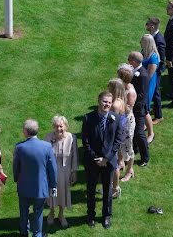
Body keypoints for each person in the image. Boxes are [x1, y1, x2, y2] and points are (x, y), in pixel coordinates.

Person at [81, 91, 124, 229]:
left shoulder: (116, 118)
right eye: (105, 101)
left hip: (109, 161)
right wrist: (96, 157)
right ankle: (90, 216)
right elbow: (85, 141)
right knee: (91, 190)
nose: (107, 104)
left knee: (107, 190)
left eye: (109, 102)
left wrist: (106, 158)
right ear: (99, 101)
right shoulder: (88, 118)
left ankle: (106, 216)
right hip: (92, 161)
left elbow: (118, 141)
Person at [13, 119, 58, 237]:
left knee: (24, 211)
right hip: (40, 187)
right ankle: (37, 234)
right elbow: (52, 168)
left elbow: (16, 167)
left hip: (23, 186)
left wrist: (16, 178)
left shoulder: (19, 147)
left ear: (25, 131)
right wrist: (53, 185)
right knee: (38, 212)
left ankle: (23, 232)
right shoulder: (47, 146)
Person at [45, 116, 77, 228]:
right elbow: (44, 156)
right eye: (56, 126)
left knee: (64, 193)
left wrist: (74, 171)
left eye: (61, 126)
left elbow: (75, 156)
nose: (59, 129)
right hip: (52, 171)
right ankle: (52, 212)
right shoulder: (48, 137)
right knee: (52, 192)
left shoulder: (72, 138)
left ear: (66, 126)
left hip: (66, 171)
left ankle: (61, 214)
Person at [127, 51, 150, 167]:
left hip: (138, 109)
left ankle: (145, 157)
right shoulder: (135, 71)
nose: (128, 61)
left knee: (139, 133)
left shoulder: (143, 75)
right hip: (133, 108)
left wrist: (131, 106)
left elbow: (142, 95)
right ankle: (134, 149)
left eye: (129, 59)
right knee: (133, 131)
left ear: (135, 62)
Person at [140, 30, 162, 136]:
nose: (140, 43)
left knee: (145, 106)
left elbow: (149, 75)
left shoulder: (153, 58)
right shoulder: (144, 52)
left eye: (142, 42)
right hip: (142, 82)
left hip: (147, 84)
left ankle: (149, 130)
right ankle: (143, 124)